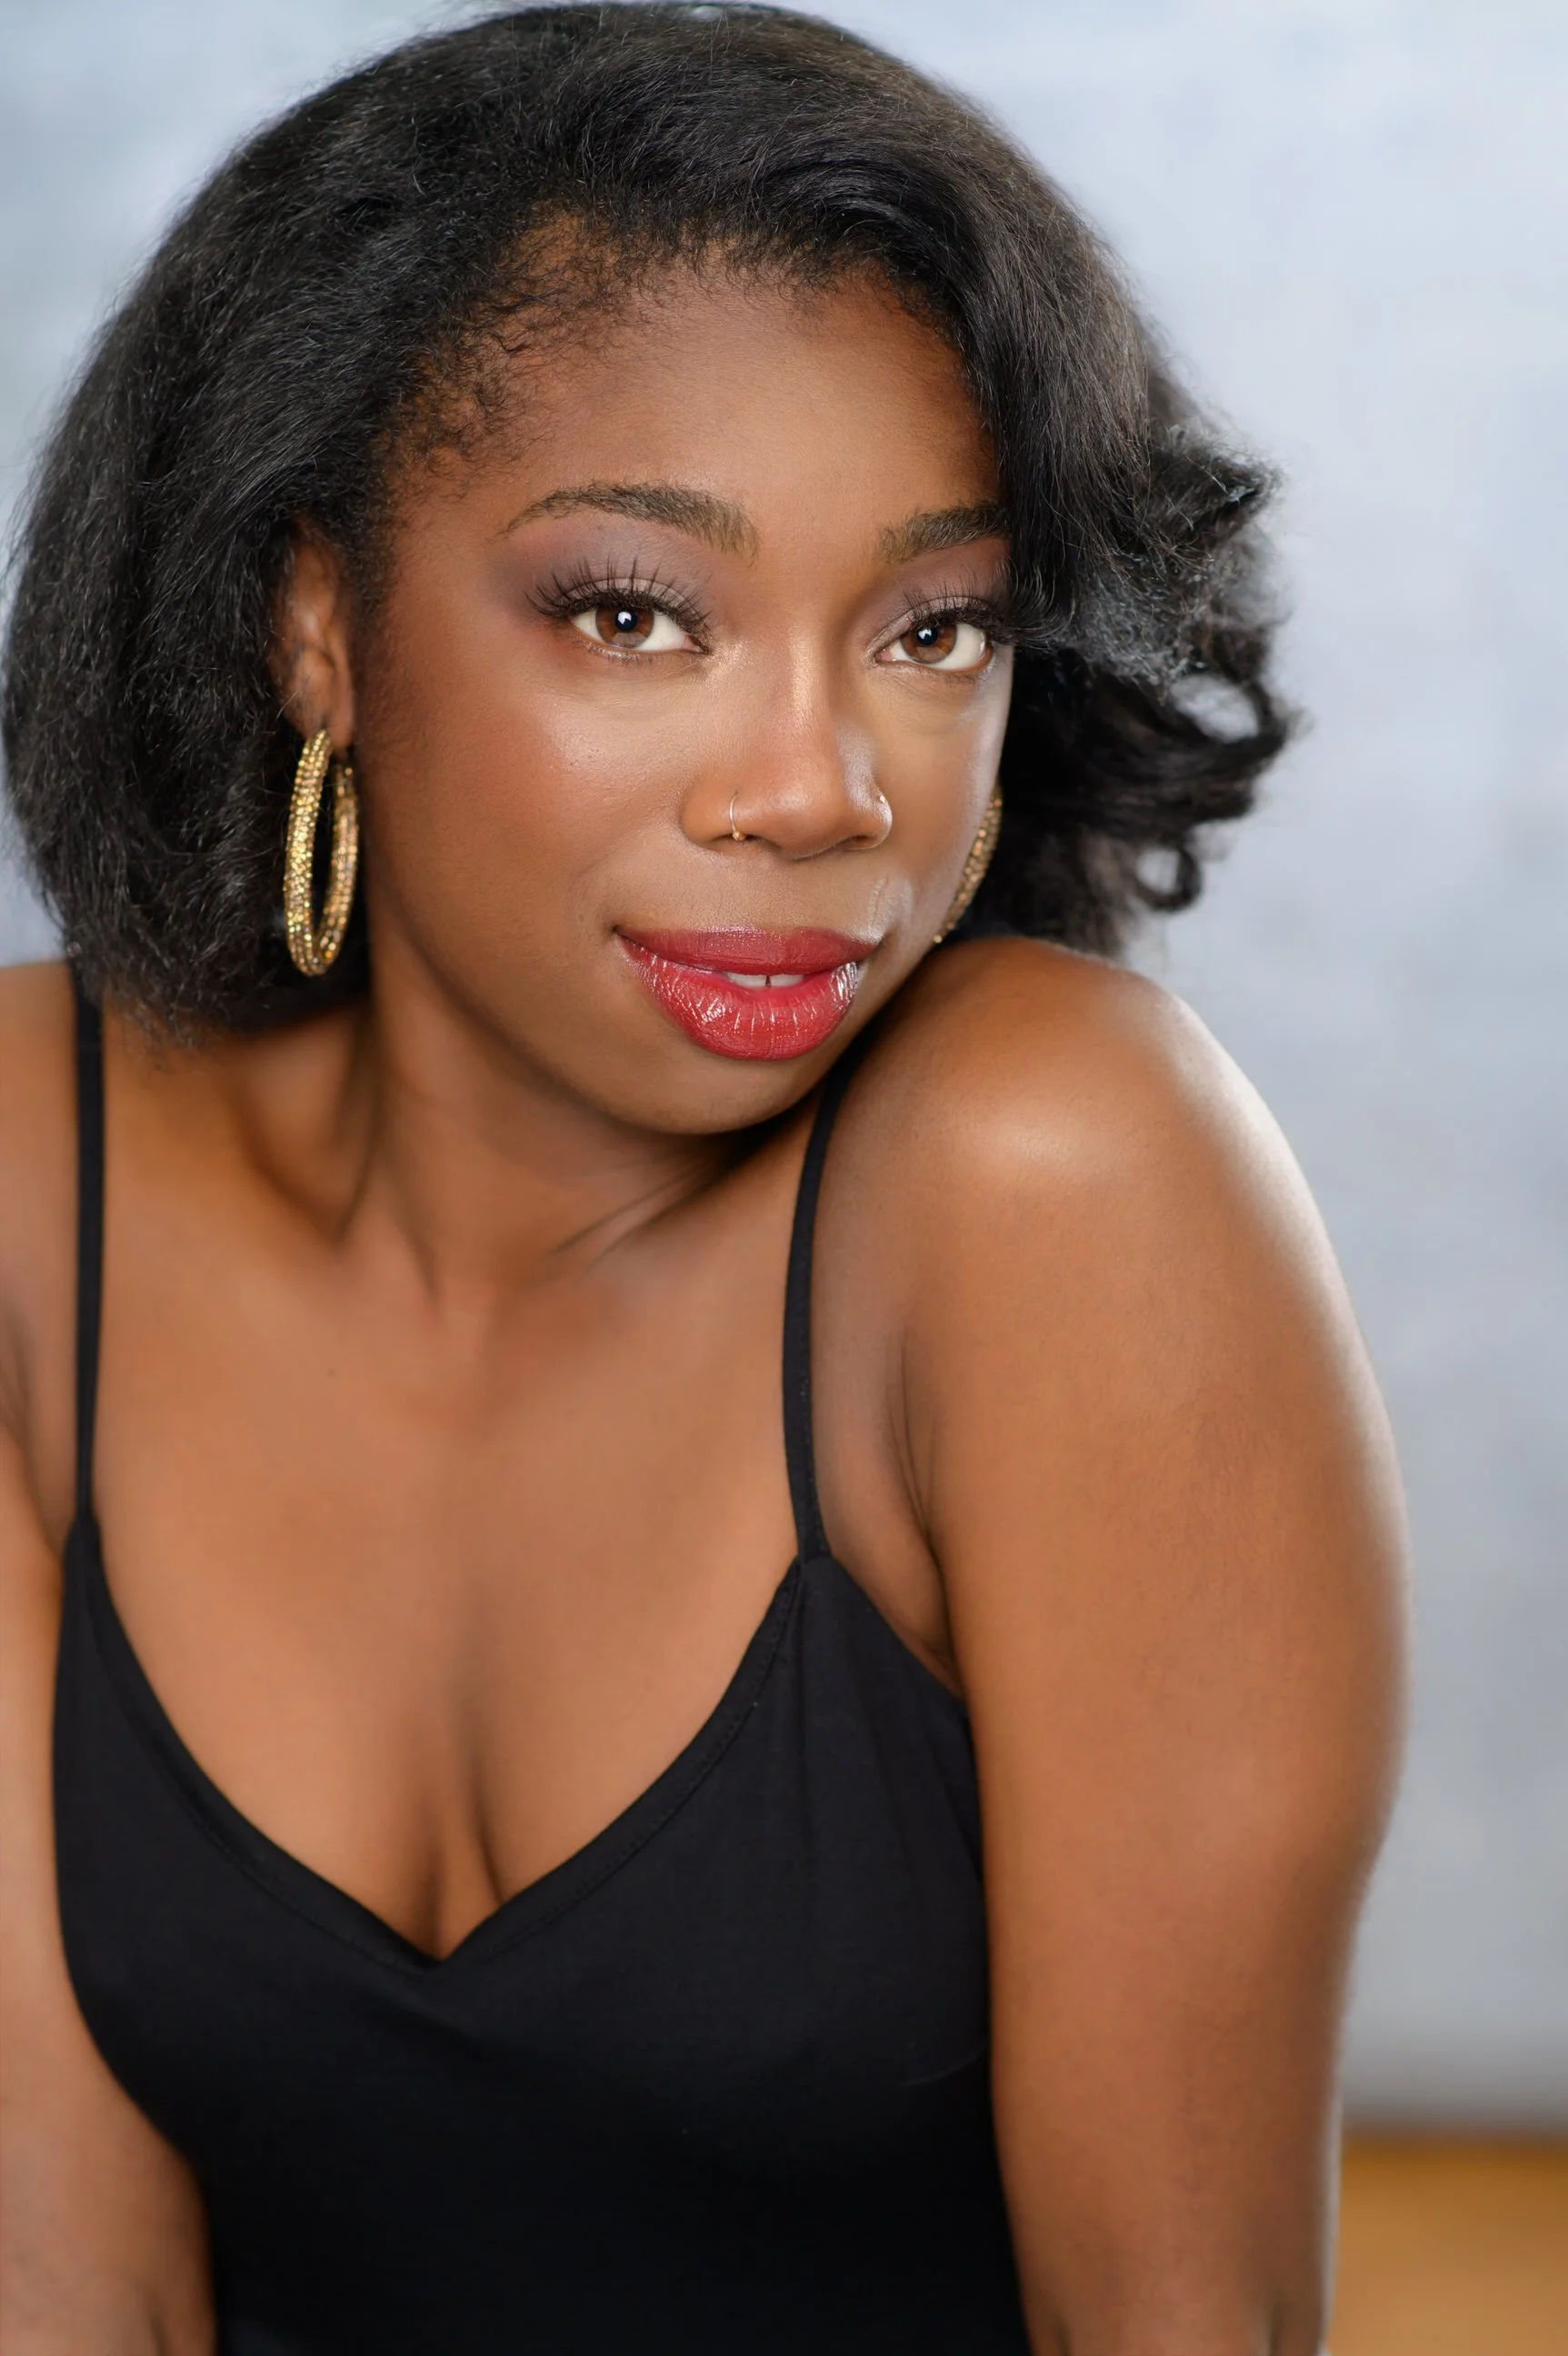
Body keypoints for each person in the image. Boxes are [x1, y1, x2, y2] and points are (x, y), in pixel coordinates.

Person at [0, 6, 1406, 2351]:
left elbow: (1185, 2324)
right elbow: (60, 2292)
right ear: (315, 622)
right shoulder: (32, 1188)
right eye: (639, 612)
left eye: (929, 627)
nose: (821, 788)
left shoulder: (1048, 1184)